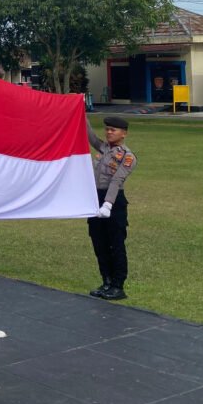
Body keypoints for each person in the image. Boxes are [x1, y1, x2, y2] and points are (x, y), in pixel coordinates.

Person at [85, 115, 136, 301]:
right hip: (96, 199)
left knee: (116, 244)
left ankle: (117, 286)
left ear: (124, 134)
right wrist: (80, 112)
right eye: (107, 129)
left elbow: (116, 181)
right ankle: (106, 281)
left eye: (113, 130)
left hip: (114, 203)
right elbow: (90, 136)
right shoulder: (104, 148)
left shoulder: (128, 157)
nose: (108, 132)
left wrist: (108, 204)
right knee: (99, 242)